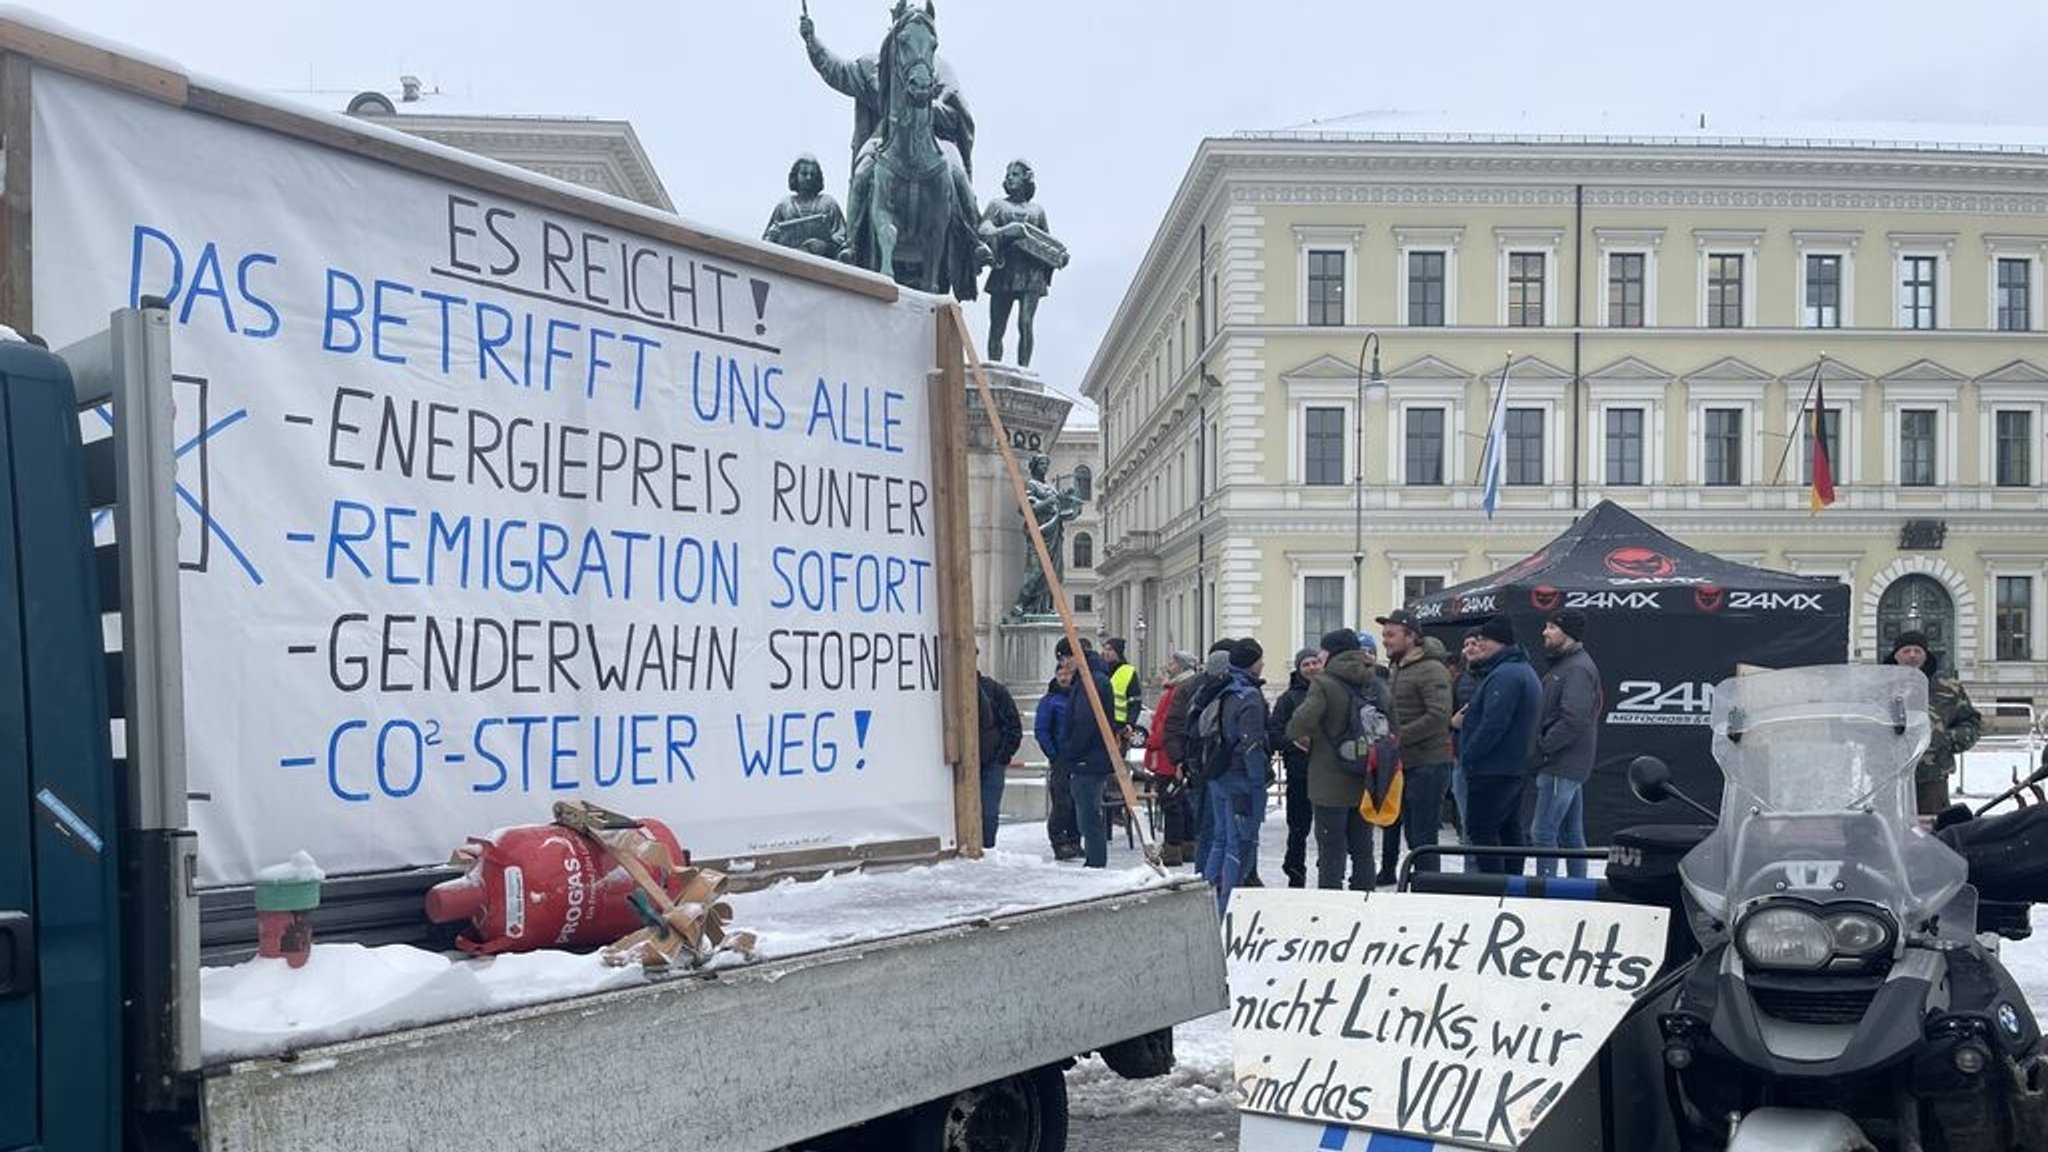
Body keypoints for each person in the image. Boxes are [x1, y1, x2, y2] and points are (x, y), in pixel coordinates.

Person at [798, 5, 986, 294]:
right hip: (885, 137)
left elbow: (956, 112)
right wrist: (813, 42)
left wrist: (924, 108)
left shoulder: (939, 66)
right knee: (863, 170)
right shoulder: (873, 64)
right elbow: (837, 71)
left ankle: (974, 242)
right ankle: (849, 242)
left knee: (956, 169)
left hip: (933, 139)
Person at [1286, 628, 1385, 891]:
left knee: (1331, 850)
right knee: (1363, 848)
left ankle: (1332, 905)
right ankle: (1365, 897)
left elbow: (1299, 724)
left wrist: (1306, 738)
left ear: (1330, 652)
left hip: (1329, 780)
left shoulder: (1324, 683)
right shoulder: (1375, 681)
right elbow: (1392, 727)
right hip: (1367, 777)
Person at [1457, 617, 1541, 875]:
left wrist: (1469, 755)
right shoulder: (1519, 670)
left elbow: (1494, 724)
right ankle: (1511, 883)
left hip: (1493, 768)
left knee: (1483, 830)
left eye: (1484, 640)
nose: (1478, 645)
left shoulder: (1505, 675)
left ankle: (1494, 886)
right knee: (1508, 829)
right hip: (1510, 765)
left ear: (1499, 642)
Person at [1378, 609, 1454, 874]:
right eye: (1384, 635)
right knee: (1412, 833)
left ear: (1411, 636)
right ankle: (1420, 883)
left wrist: (1398, 737)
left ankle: (1429, 887)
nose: (1385, 640)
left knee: (1422, 838)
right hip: (1405, 762)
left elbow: (1438, 715)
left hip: (1428, 764)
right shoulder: (1397, 667)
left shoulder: (1431, 669)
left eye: (1391, 635)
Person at [1529, 610, 1601, 878]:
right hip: (1565, 763)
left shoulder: (1577, 668)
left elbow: (1575, 718)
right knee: (1571, 835)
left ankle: (1547, 894)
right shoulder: (1567, 665)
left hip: (1560, 763)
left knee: (1543, 832)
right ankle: (1577, 892)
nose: (1544, 632)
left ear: (1567, 632)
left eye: (1551, 627)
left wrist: (1545, 746)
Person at [1883, 630, 1983, 815]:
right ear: (1896, 656)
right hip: (1886, 777)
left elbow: (1971, 723)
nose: (1912, 655)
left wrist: (1946, 740)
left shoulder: (1948, 687)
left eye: (1917, 651)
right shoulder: (1879, 686)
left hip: (1932, 777)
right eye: (1906, 651)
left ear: (1925, 655)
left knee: (1931, 832)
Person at [1203, 639, 1271, 908]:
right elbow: (1251, 745)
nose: (1263, 664)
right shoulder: (1249, 696)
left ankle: (1207, 901)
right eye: (1260, 660)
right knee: (1239, 844)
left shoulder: (1222, 687)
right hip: (1240, 778)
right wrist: (1258, 785)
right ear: (1253, 662)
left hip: (1218, 773)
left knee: (1220, 839)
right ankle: (1228, 905)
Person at [979, 159, 1066, 367]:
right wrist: (1005, 231)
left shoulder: (1037, 211)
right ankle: (994, 367)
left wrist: (1060, 257)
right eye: (1008, 173)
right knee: (997, 326)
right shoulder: (998, 205)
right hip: (1004, 270)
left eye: (1015, 174)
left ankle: (1024, 368)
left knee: (1026, 323)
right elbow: (983, 229)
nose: (1010, 177)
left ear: (1027, 179)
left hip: (1032, 274)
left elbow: (1048, 242)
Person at [1165, 639, 1235, 869]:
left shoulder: (1196, 687)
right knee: (1208, 826)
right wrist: (1179, 759)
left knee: (1212, 826)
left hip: (1205, 763)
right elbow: (1174, 726)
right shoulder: (1192, 688)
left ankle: (1210, 872)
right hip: (1202, 765)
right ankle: (1208, 874)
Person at [1052, 636, 1119, 868]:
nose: (1062, 666)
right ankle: (1094, 859)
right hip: (1090, 757)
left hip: (1088, 759)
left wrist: (1070, 751)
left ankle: (1095, 862)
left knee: (1088, 815)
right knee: (1087, 814)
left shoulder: (1092, 682)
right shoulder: (1090, 679)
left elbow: (1085, 722)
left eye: (1063, 659)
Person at [1267, 647, 1322, 887]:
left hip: (1328, 774)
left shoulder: (1331, 692)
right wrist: (1295, 743)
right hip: (1299, 772)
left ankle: (1327, 870)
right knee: (1298, 828)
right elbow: (1274, 734)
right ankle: (1295, 871)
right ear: (1298, 669)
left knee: (1327, 829)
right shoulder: (1288, 699)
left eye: (1314, 663)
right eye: (1305, 664)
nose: (1311, 668)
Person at [1145, 650, 1201, 866]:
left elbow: (1169, 723)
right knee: (1180, 801)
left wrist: (1154, 741)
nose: (1168, 664)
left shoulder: (1178, 689)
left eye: (1172, 661)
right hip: (1170, 750)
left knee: (1171, 801)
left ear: (1180, 665)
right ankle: (1187, 843)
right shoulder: (1179, 687)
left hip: (1168, 753)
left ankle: (1173, 847)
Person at [1033, 654, 1080, 860]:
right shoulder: (1050, 701)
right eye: (1060, 673)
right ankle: (1059, 841)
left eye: (1068, 673)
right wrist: (1053, 754)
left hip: (1078, 758)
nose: (1064, 677)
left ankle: (1074, 840)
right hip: (1061, 759)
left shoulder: (1078, 697)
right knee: (1062, 803)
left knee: (1076, 802)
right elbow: (1041, 730)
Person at [761, 154, 850, 259]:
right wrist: (772, 236)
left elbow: (842, 238)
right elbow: (766, 242)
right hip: (788, 262)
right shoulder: (785, 205)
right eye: (804, 174)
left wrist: (825, 247)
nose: (809, 178)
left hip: (822, 264)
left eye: (813, 174)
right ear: (796, 176)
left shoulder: (828, 204)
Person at [975, 668, 1022, 850]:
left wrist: (1003, 755)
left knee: (988, 813)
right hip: (960, 765)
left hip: (992, 762)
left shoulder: (994, 690)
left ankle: (986, 849)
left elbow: (1013, 726)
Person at [1104, 636, 1142, 745]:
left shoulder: (1128, 671)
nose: (1106, 652)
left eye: (1110, 649)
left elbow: (1135, 701)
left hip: (1120, 726)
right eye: (1105, 649)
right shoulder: (1101, 669)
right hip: (1101, 723)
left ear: (1118, 652)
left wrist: (1130, 723)